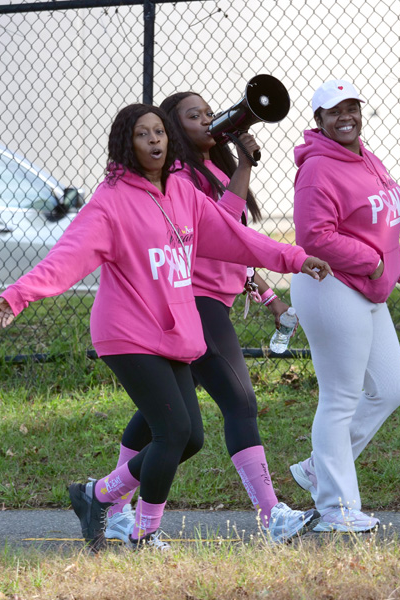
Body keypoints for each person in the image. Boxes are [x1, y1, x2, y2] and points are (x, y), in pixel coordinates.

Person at [0, 103, 332, 551]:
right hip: (126, 332)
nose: (154, 141)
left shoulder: (183, 192)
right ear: (126, 144)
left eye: (159, 132)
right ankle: (143, 533)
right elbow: (67, 257)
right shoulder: (110, 201)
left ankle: (98, 495)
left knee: (190, 438)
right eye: (142, 134)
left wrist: (294, 258)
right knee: (172, 432)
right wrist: (19, 294)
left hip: (173, 332)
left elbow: (236, 236)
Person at [96, 90, 316, 546]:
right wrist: (243, 168)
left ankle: (111, 506)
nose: (207, 121)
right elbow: (220, 228)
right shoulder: (176, 176)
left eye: (209, 113)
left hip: (212, 300)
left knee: (158, 421)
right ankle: (271, 515)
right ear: (173, 129)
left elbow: (236, 247)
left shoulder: (211, 169)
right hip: (195, 302)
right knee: (240, 403)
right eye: (193, 116)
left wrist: (266, 295)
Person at [287, 80, 400, 533]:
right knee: (340, 397)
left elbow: (383, 228)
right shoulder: (317, 169)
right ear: (319, 120)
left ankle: (318, 467)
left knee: (391, 387)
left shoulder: (367, 158)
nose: (346, 117)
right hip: (328, 285)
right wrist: (375, 265)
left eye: (352, 108)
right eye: (335, 111)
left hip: (366, 286)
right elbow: (313, 237)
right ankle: (336, 508)